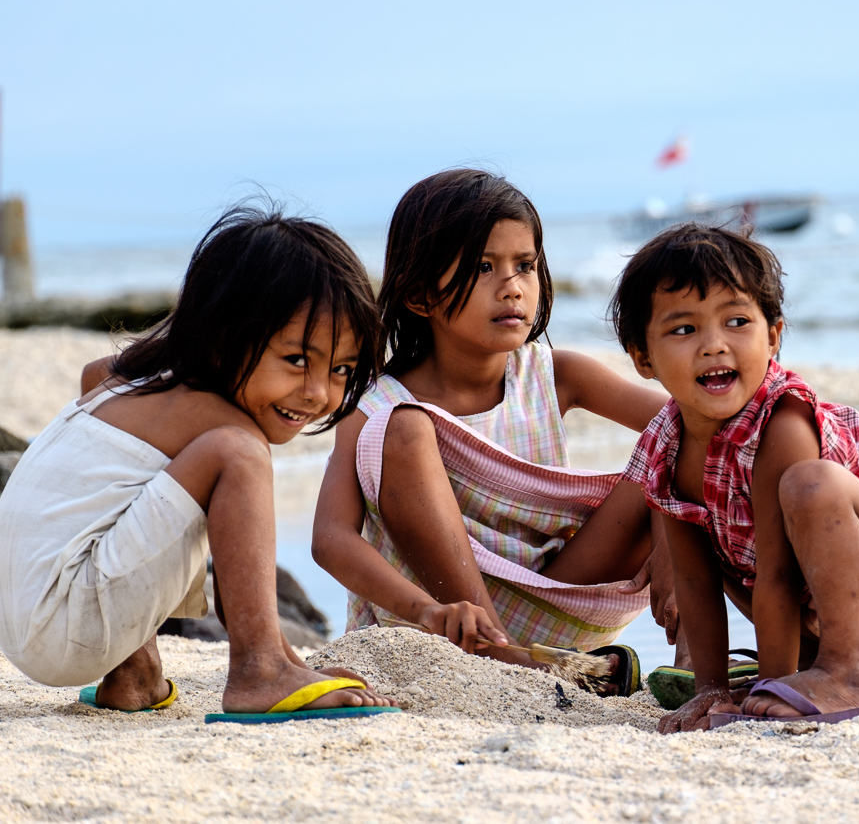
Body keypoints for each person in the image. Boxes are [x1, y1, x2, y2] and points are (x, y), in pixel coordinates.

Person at [0, 203, 409, 720]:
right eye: (297, 360)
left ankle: (136, 672)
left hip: (23, 618)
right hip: (66, 622)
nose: (317, 394)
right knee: (237, 456)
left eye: (342, 369)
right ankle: (260, 670)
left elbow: (94, 373)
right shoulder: (219, 421)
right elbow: (230, 465)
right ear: (223, 337)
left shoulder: (144, 382)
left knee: (151, 479)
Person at [609, 223, 859, 732]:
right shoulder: (664, 447)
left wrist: (773, 691)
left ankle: (847, 678)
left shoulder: (782, 423)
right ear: (642, 358)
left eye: (737, 321)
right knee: (722, 546)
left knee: (812, 483)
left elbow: (780, 578)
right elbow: (696, 581)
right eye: (684, 329)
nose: (714, 345)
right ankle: (810, 672)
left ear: (774, 337)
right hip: (820, 611)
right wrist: (712, 692)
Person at [311, 169, 672, 694]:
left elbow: (688, 427)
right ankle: (498, 653)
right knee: (408, 429)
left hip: (552, 609)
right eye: (484, 267)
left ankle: (712, 653)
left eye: (525, 265)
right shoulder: (381, 406)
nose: (513, 286)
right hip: (439, 626)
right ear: (418, 295)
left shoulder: (556, 373)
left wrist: (669, 541)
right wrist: (432, 611)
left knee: (673, 450)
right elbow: (330, 540)